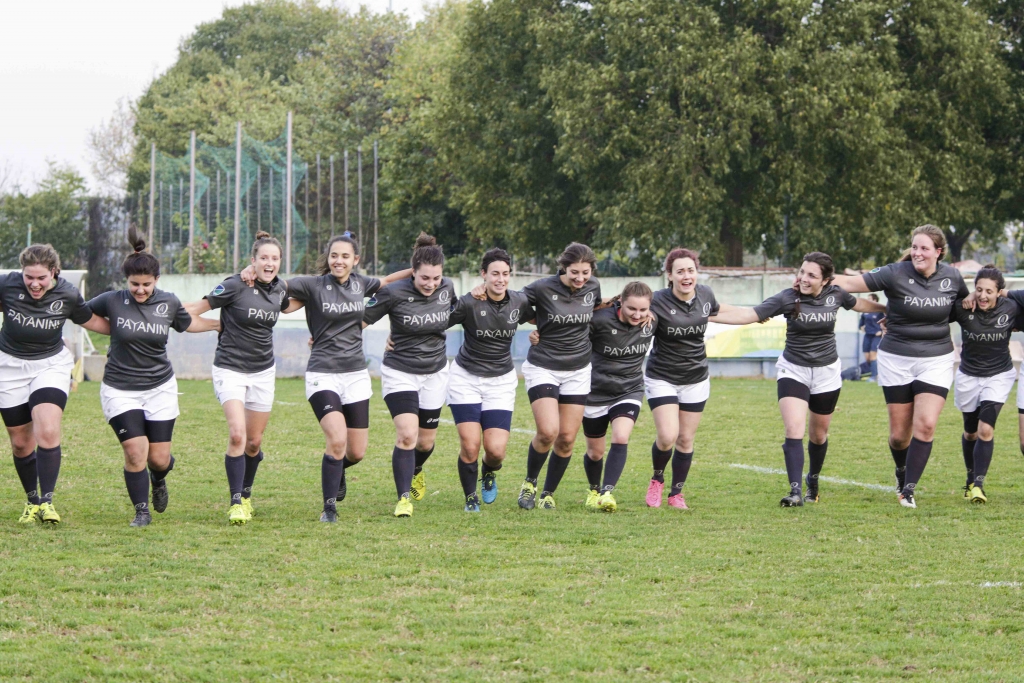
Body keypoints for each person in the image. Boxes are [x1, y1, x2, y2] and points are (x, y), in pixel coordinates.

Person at [245, 233, 410, 522]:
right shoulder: (312, 285)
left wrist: (417, 270)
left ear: (355, 260)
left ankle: (337, 469)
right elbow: (277, 282)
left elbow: (385, 281)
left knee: (356, 452)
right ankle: (329, 507)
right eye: (335, 255)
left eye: (345, 256)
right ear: (328, 258)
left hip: (356, 375)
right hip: (322, 373)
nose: (339, 260)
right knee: (337, 439)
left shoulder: (362, 283)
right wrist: (249, 271)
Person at [87, 228, 219, 526]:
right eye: (135, 284)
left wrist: (218, 326)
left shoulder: (169, 302)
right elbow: (82, 313)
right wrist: (110, 329)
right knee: (135, 452)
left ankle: (159, 480)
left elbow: (188, 324)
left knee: (158, 459)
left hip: (160, 387)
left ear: (156, 280)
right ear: (126, 281)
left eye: (146, 284)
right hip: (119, 388)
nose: (140, 290)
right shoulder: (111, 300)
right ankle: (141, 511)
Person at [832, 224, 969, 508]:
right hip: (896, 358)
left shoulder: (953, 277)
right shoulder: (894, 272)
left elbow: (964, 307)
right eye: (915, 247)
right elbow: (851, 283)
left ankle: (908, 490)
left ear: (938, 252)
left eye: (924, 248)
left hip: (937, 358)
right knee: (898, 436)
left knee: (927, 425)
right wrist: (816, 277)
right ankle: (901, 471)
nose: (918, 253)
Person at [749, 253, 885, 506]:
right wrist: (706, 313)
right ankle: (795, 492)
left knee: (818, 436)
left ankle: (813, 478)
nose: (803, 278)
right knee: (794, 429)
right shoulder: (788, 298)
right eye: (802, 272)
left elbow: (861, 305)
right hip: (794, 369)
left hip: (827, 373)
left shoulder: (837, 294)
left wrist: (890, 310)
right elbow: (749, 314)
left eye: (812, 275)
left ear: (826, 280)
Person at [642, 248, 760, 509]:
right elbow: (631, 314)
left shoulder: (705, 295)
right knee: (667, 436)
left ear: (697, 272)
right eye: (680, 271)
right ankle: (657, 480)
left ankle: (676, 494)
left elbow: (720, 310)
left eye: (691, 270)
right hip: (662, 377)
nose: (687, 276)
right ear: (669, 275)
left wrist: (756, 314)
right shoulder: (656, 300)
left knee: (685, 439)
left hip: (696, 378)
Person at [0, 244, 109, 524]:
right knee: (21, 443)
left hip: (51, 364)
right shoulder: (7, 285)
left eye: (41, 278)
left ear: (54, 272)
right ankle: (32, 502)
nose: (34, 284)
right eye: (29, 277)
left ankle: (47, 502)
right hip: (8, 366)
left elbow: (93, 322)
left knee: (47, 428)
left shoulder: (68, 293)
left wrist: (132, 323)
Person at [186, 231, 289, 525]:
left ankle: (246, 495)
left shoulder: (281, 289)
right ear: (253, 261)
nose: (269, 263)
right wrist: (212, 325)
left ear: (280, 262)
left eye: (274, 258)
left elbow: (299, 301)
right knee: (237, 435)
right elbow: (195, 309)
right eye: (263, 258)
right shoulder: (234, 284)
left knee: (254, 443)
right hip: (229, 368)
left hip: (263, 372)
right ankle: (234, 503)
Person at [362, 233, 455, 518]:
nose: (431, 284)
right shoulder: (393, 293)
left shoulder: (448, 288)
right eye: (424, 278)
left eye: (436, 278)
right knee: (407, 435)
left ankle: (415, 469)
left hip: (436, 372)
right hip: (400, 371)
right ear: (413, 272)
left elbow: (459, 312)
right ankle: (403, 499)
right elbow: (360, 322)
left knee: (425, 443)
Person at [511, 243, 602, 511]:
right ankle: (529, 483)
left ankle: (548, 493)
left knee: (566, 439)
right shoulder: (541, 288)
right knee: (548, 431)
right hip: (544, 366)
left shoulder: (593, 288)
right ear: (563, 267)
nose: (580, 278)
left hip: (578, 370)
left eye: (585, 273)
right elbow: (513, 305)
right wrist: (536, 327)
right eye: (574, 272)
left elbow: (597, 310)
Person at [445, 248, 534, 512]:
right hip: (465, 378)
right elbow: (435, 322)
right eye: (494, 273)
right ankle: (470, 497)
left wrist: (540, 335)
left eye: (505, 274)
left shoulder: (519, 302)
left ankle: (488, 471)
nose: (500, 279)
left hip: (501, 381)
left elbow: (547, 320)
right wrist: (397, 340)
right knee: (470, 446)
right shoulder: (470, 302)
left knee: (495, 452)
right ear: (483, 274)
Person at [578, 282, 655, 512]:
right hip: (594, 391)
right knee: (595, 452)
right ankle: (593, 490)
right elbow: (571, 334)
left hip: (629, 389)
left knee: (621, 437)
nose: (638, 315)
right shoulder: (599, 319)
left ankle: (606, 492)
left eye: (643, 310)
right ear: (621, 301)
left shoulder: (653, 321)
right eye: (632, 309)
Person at [951, 266, 1018, 504]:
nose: (983, 296)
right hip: (968, 376)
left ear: (999, 292)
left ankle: (978, 485)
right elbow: (931, 320)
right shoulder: (962, 308)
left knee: (985, 430)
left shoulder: (1011, 308)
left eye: (989, 291)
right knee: (970, 432)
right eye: (978, 290)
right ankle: (970, 479)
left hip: (999, 375)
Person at [859, 294, 883, 381]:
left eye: (869, 299)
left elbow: (885, 322)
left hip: (876, 336)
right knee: (868, 357)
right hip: (867, 335)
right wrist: (861, 327)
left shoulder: (879, 311)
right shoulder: (865, 311)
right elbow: (861, 322)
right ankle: (873, 373)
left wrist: (881, 331)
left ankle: (874, 376)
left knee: (873, 355)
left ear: (875, 300)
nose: (868, 300)